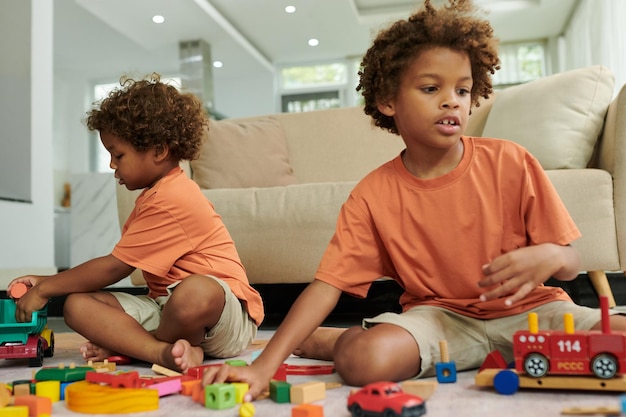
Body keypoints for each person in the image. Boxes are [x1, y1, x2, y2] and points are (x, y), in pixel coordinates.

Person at [202, 0, 626, 399]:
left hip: (532, 313)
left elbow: (572, 262)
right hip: (439, 319)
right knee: (363, 361)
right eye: (430, 88)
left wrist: (550, 256)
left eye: (463, 90)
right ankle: (333, 340)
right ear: (388, 100)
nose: (451, 100)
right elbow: (327, 287)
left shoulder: (511, 161)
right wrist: (263, 366)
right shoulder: (373, 194)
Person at [8, 73, 264, 372]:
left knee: (194, 292)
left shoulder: (174, 196)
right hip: (165, 308)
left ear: (158, 150)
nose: (112, 165)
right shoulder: (151, 197)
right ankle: (164, 352)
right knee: (76, 305)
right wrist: (46, 281)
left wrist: (44, 290)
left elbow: (115, 267)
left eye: (119, 154)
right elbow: (113, 266)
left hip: (223, 317)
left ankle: (137, 347)